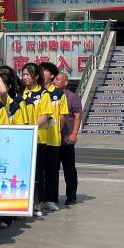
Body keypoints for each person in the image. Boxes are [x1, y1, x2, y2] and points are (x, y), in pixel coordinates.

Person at [21, 63, 53, 217]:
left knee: (38, 172)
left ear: (36, 76)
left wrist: (32, 127)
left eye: (28, 74)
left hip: (38, 138)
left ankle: (37, 203)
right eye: (23, 74)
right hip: (23, 139)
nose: (25, 77)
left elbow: (45, 116)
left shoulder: (44, 94)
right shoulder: (22, 93)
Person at [40, 62, 69, 211]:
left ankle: (50, 199)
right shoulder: (34, 92)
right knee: (38, 172)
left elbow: (63, 115)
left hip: (52, 139)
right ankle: (38, 199)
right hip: (38, 138)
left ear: (52, 75)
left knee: (51, 171)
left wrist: (56, 131)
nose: (40, 73)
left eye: (43, 71)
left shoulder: (59, 94)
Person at [54, 72, 81, 206]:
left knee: (69, 169)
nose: (55, 81)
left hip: (66, 140)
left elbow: (77, 116)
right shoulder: (50, 95)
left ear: (65, 83)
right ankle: (52, 197)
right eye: (55, 79)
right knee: (52, 170)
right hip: (52, 140)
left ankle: (71, 195)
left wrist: (74, 133)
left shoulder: (72, 97)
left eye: (58, 79)